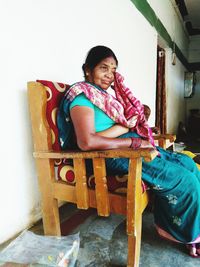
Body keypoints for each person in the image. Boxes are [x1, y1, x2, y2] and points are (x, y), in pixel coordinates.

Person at [57, 45, 200, 257]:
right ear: (88, 69)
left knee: (188, 164)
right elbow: (86, 142)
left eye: (113, 69)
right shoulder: (82, 97)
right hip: (108, 157)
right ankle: (184, 234)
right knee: (184, 180)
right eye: (103, 68)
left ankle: (186, 223)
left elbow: (118, 128)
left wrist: (131, 131)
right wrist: (131, 143)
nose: (109, 75)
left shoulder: (104, 98)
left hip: (125, 148)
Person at [143, 104, 200, 169]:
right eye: (144, 114)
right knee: (185, 160)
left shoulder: (143, 127)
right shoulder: (135, 129)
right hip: (151, 153)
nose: (146, 118)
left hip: (157, 150)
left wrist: (151, 129)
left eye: (148, 115)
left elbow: (144, 131)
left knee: (186, 156)